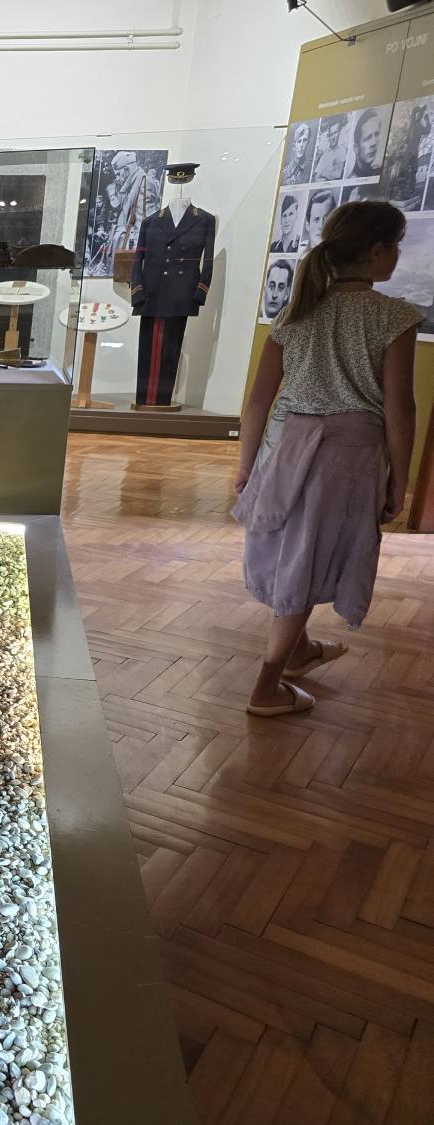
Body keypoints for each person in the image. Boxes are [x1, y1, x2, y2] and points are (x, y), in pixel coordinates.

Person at [233, 201, 418, 717]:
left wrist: (246, 465)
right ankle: (267, 687)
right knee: (309, 558)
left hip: (284, 448)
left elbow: (257, 402)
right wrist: (399, 480)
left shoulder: (295, 314)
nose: (396, 256)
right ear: (376, 251)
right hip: (347, 458)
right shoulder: (394, 317)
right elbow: (400, 410)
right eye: (395, 245)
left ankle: (299, 652)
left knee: (294, 550)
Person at [351, 109, 385, 179]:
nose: (374, 143)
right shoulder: (351, 181)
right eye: (367, 138)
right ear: (356, 148)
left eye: (376, 134)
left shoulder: (378, 171)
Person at [312, 114, 348, 182]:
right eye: (331, 135)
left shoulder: (342, 150)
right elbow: (316, 177)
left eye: (335, 133)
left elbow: (338, 174)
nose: (333, 137)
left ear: (340, 132)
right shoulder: (325, 154)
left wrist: (322, 173)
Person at [283, 122, 315, 186]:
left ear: (308, 143)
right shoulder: (284, 172)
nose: (301, 145)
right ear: (294, 146)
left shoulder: (312, 168)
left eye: (304, 140)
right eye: (299, 141)